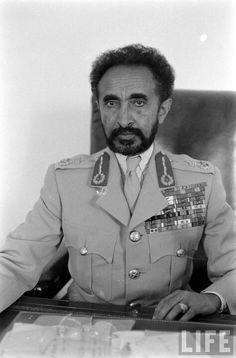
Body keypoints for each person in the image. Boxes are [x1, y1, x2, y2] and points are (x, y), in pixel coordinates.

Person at [0, 44, 236, 321]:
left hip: (165, 325)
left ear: (162, 109)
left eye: (138, 102)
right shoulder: (65, 180)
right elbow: (17, 261)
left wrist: (212, 298)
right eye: (111, 102)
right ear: (99, 106)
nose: (124, 119)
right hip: (85, 324)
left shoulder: (200, 182)